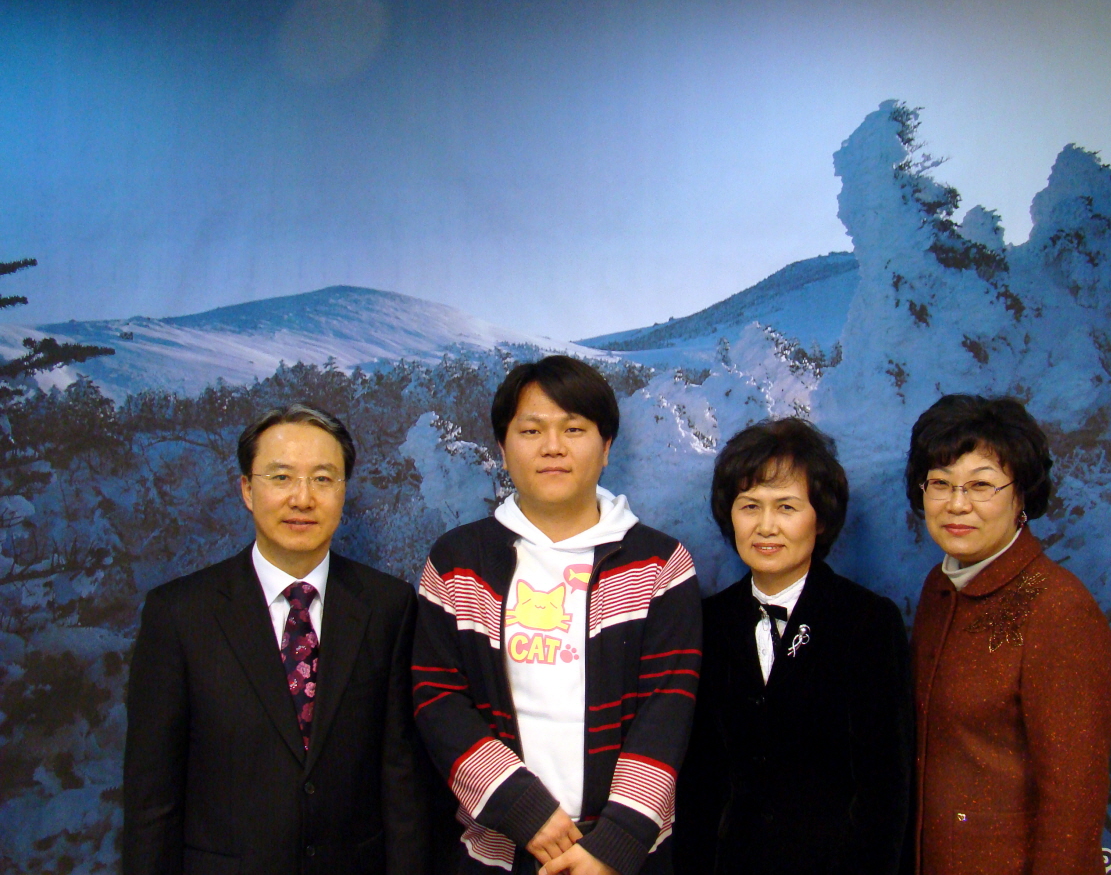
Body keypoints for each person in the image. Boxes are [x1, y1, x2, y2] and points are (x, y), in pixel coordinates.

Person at [412, 355, 701, 875]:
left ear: (606, 447)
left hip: (625, 854)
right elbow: (438, 696)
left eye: (574, 429)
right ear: (503, 448)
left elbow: (668, 708)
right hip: (497, 847)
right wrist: (524, 810)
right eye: (531, 430)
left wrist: (615, 841)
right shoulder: (458, 562)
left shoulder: (660, 564)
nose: (552, 446)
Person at [123, 404, 429, 875]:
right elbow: (152, 796)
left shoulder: (388, 606)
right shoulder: (180, 613)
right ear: (247, 489)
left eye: (323, 479)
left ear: (343, 490)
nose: (302, 499)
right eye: (281, 478)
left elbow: (401, 776)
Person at [674, 417, 912, 875]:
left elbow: (887, 788)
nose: (766, 526)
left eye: (786, 507)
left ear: (819, 518)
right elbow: (699, 783)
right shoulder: (708, 622)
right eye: (750, 506)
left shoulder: (867, 621)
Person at [905, 394, 1111, 875]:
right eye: (940, 483)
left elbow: (1073, 804)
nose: (957, 504)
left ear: (1022, 494)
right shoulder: (940, 587)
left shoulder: (1058, 610)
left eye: (981, 485)